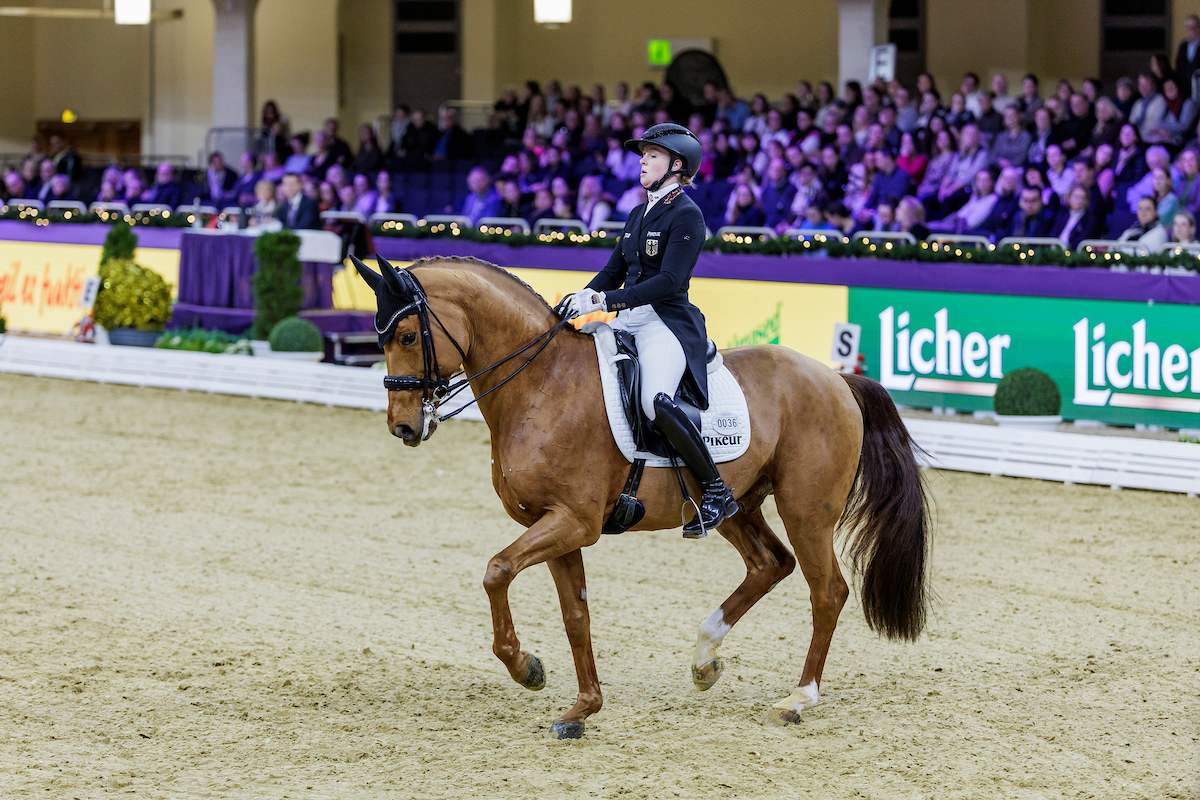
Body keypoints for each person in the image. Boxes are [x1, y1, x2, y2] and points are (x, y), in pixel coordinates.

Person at [555, 123, 737, 537]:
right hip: (630, 318)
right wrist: (578, 298)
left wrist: (604, 303)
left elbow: (670, 281)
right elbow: (613, 270)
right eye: (644, 154)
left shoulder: (687, 214)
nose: (642, 160)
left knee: (654, 400)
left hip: (666, 322)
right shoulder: (639, 213)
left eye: (652, 155)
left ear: (676, 165)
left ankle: (715, 490)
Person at [1050, 185, 1101, 249]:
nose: (1079, 201)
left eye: (1083, 198)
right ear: (1069, 198)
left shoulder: (1090, 220)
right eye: (1076, 197)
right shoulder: (1061, 215)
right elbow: (1053, 235)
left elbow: (1080, 241)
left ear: (1087, 201)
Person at [1176, 14, 1200, 100]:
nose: (1192, 30)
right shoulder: (1183, 46)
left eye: (1194, 26)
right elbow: (1178, 66)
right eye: (1189, 27)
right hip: (1184, 88)